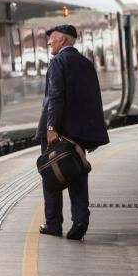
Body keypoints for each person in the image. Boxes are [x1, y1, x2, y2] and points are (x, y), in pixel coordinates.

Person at [35, 24, 110, 240]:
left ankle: (53, 224)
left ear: (64, 40)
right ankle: (80, 219)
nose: (49, 42)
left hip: (58, 132)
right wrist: (92, 135)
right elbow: (93, 99)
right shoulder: (86, 64)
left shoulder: (58, 62)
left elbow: (55, 97)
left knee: (52, 174)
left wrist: (51, 128)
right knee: (77, 173)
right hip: (78, 132)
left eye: (53, 39)